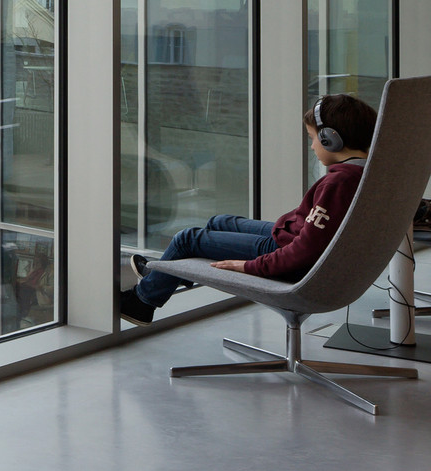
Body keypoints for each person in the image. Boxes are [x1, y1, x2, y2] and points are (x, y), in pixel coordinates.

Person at [120, 93, 376, 324]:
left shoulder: (339, 182)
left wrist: (248, 267)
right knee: (220, 221)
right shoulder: (369, 171)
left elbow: (304, 252)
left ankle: (142, 302)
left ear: (330, 139)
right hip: (293, 237)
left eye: (313, 139)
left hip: (289, 256)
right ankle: (169, 273)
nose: (312, 147)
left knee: (186, 239)